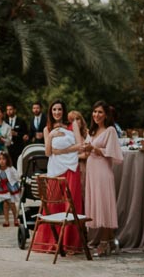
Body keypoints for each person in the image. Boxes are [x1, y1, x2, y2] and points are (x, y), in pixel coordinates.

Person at [30, 99, 85, 255]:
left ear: (63, 110)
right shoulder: (47, 129)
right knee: (54, 205)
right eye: (54, 109)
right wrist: (53, 134)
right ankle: (53, 241)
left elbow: (79, 145)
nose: (57, 112)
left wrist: (62, 151)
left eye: (59, 109)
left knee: (71, 204)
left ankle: (70, 244)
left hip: (71, 168)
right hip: (55, 170)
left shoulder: (72, 125)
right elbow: (48, 152)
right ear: (50, 111)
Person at [82, 100, 122, 256]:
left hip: (103, 170)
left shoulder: (110, 130)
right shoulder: (92, 131)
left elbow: (112, 153)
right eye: (94, 112)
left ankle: (104, 243)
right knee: (96, 203)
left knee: (104, 205)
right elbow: (85, 150)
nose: (96, 115)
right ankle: (110, 241)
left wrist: (94, 148)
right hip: (91, 169)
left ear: (106, 115)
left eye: (100, 112)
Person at [0, 151, 21, 228]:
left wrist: (17, 184)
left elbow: (17, 176)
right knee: (5, 204)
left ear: (7, 159)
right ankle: (6, 220)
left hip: (10, 187)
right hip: (2, 187)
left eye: (4, 159)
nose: (2, 161)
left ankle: (15, 219)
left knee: (12, 203)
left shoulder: (11, 168)